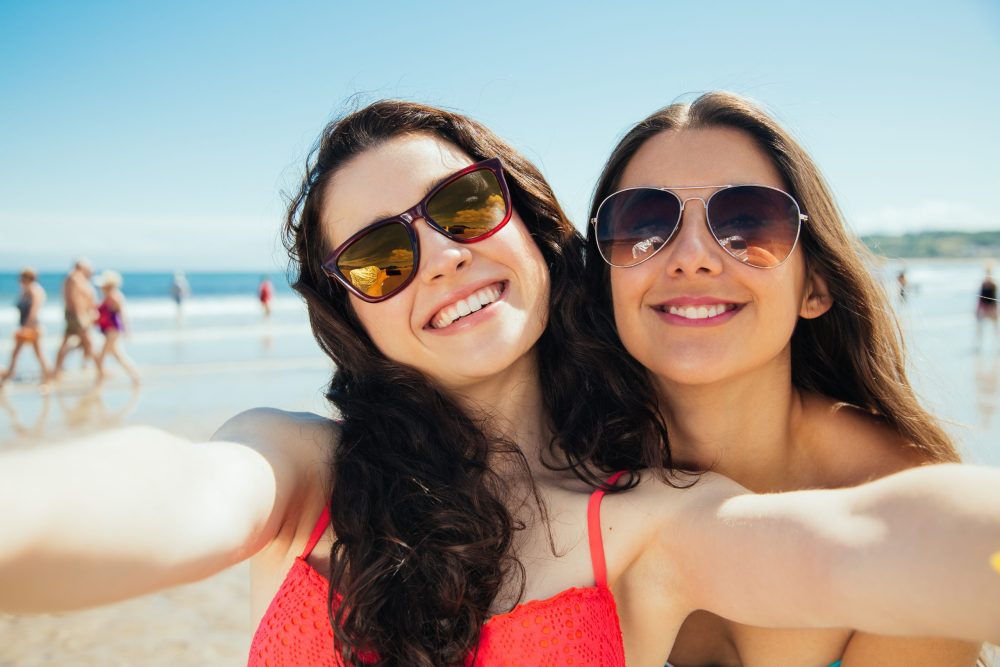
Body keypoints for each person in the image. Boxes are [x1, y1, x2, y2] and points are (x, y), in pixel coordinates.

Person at [3, 102, 1000, 667]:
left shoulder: (654, 522)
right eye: (381, 258)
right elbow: (171, 488)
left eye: (465, 206)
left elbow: (874, 544)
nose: (436, 255)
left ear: (529, 223)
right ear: (353, 316)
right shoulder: (304, 473)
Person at [586, 91, 987, 666]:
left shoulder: (897, 497)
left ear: (815, 287)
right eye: (644, 225)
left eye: (747, 223)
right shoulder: (557, 475)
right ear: (605, 282)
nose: (691, 256)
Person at [0, 268, 51, 388]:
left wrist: (26, 328)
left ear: (29, 278)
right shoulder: (25, 290)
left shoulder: (35, 291)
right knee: (17, 353)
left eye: (22, 278)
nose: (20, 280)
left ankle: (48, 379)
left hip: (33, 327)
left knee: (37, 354)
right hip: (26, 326)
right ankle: (6, 379)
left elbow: (34, 311)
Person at [51, 259, 98, 381]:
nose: (91, 271)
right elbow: (75, 299)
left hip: (79, 315)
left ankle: (61, 367)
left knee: (80, 342)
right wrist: (81, 316)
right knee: (86, 342)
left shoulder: (77, 278)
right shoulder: (75, 278)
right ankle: (96, 368)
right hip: (77, 316)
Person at [93, 270, 140, 386]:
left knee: (102, 356)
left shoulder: (115, 297)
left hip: (112, 331)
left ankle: (100, 380)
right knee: (117, 356)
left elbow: (123, 315)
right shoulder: (109, 296)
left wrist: (127, 331)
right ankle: (134, 376)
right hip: (109, 331)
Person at [976, 264, 997, 348]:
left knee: (995, 327)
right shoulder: (983, 283)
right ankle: (978, 345)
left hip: (991, 308)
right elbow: (980, 298)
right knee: (980, 327)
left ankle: (996, 345)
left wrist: (994, 309)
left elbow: (994, 298)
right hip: (984, 307)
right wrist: (978, 309)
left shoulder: (993, 284)